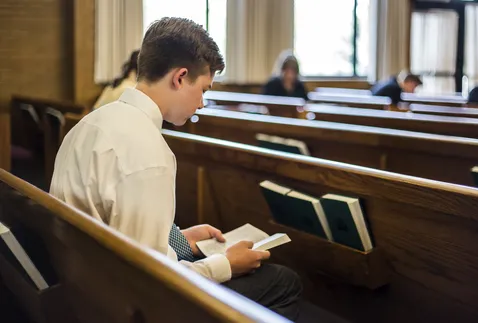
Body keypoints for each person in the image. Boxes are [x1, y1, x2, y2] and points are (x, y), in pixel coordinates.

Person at [50, 17, 302, 321]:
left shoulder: (89, 124)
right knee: (284, 282)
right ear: (180, 77)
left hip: (79, 278)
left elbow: (115, 223)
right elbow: (151, 279)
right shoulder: (148, 151)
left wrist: (180, 239)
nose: (202, 104)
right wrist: (226, 265)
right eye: (203, 90)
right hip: (117, 303)